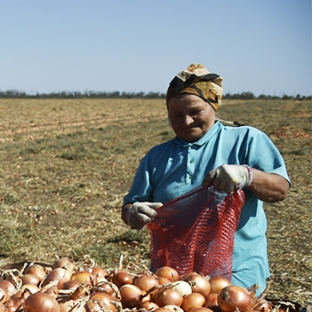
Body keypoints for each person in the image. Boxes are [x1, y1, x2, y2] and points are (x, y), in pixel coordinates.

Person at [122, 63, 290, 295]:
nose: (186, 121)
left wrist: (247, 175)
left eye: (195, 112)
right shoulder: (156, 157)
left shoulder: (247, 139)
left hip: (235, 274)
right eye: (177, 115)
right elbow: (130, 206)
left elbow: (280, 190)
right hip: (172, 277)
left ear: (213, 106)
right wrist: (133, 213)